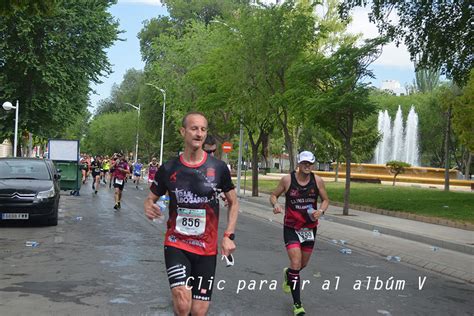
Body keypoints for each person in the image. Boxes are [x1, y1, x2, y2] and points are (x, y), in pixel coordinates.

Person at [144, 112, 239, 316]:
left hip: (207, 248)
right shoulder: (169, 168)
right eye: (194, 128)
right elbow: (151, 197)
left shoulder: (218, 168)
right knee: (182, 303)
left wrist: (228, 235)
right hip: (177, 243)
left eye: (203, 129)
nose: (199, 134)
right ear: (183, 131)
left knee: (198, 311)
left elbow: (233, 202)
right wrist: (148, 205)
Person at [269, 150, 329, 316]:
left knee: (302, 265)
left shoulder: (317, 181)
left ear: (313, 164)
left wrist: (321, 211)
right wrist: (275, 205)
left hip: (310, 228)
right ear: (299, 164)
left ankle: (289, 274)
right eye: (304, 163)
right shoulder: (288, 180)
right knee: (296, 262)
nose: (307, 166)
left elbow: (326, 199)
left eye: (309, 163)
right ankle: (298, 305)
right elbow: (273, 195)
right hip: (292, 227)